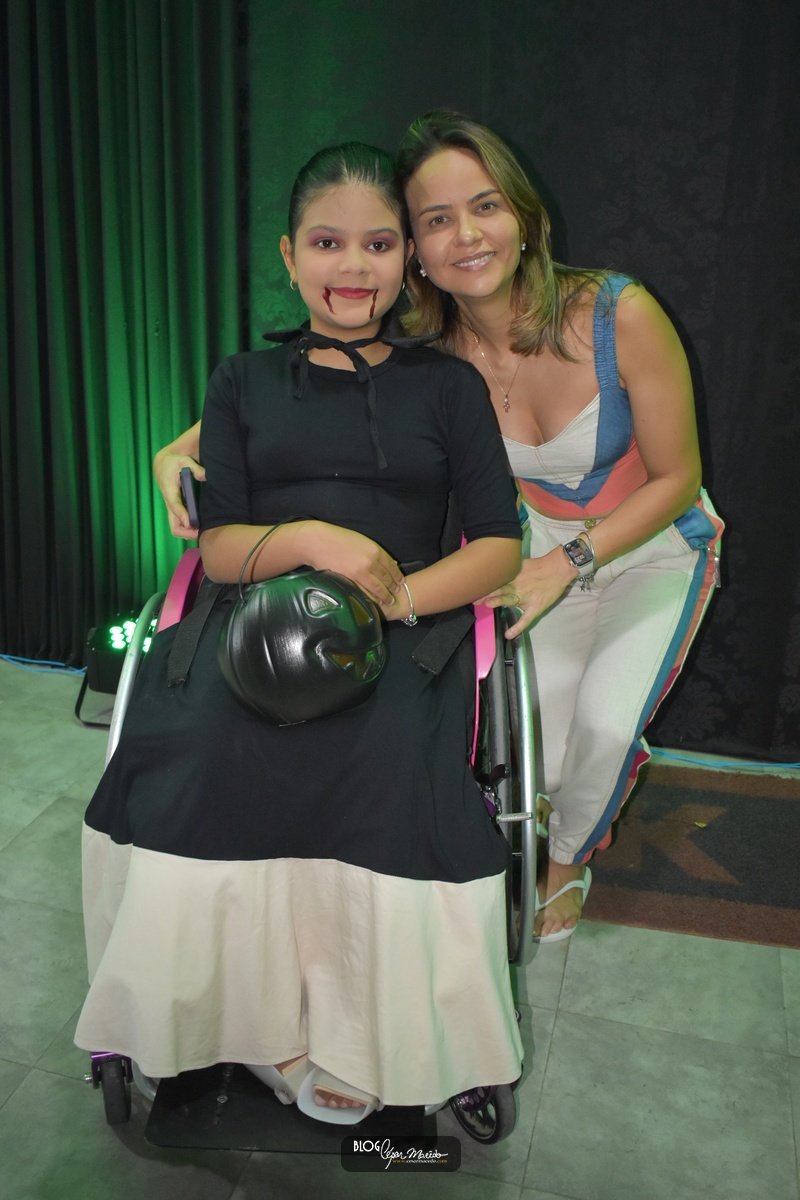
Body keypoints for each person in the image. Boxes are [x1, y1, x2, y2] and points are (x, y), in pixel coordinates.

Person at [155, 112, 723, 945]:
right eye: (437, 219)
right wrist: (180, 443)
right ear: (416, 248)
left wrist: (566, 562)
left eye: (486, 206)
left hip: (650, 545)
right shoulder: (436, 348)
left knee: (603, 729)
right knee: (538, 742)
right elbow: (285, 396)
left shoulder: (616, 313)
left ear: (525, 215)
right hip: (530, 550)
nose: (468, 235)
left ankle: (571, 859)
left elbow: (679, 478)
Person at [75, 142, 524, 1119]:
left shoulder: (446, 387)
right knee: (198, 754)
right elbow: (221, 547)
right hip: (253, 613)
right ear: (288, 256)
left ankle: (375, 1041)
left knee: (391, 769)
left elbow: (497, 545)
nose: (351, 266)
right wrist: (316, 541)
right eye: (326, 243)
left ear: (408, 258)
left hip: (405, 621)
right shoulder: (242, 380)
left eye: (377, 244)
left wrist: (395, 598)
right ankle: (227, 1028)